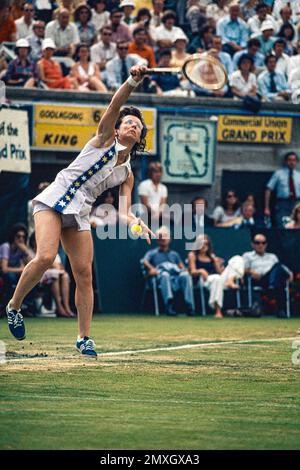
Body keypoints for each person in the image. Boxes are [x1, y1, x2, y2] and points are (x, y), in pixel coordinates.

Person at [5, 63, 154, 357]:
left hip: (81, 210)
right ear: (117, 128)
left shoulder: (127, 173)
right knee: (46, 256)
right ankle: (14, 306)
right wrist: (132, 81)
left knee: (83, 273)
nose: (133, 125)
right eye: (128, 122)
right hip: (56, 196)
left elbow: (124, 211)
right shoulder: (102, 139)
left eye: (138, 125)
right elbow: (115, 103)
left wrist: (135, 221)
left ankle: (84, 338)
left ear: (140, 137)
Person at [142, 226, 195, 316]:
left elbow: (182, 267)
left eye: (164, 236)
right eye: (160, 236)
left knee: (185, 275)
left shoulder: (175, 254)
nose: (162, 238)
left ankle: (189, 305)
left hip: (175, 278)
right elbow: (145, 261)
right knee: (165, 275)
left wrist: (187, 270)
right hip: (160, 277)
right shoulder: (152, 253)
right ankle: (169, 305)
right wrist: (152, 269)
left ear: (169, 239)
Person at [188, 234, 244, 318]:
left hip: (217, 280)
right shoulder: (192, 255)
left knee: (237, 259)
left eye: (206, 244)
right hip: (203, 281)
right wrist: (201, 271)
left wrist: (218, 264)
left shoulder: (212, 256)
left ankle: (231, 280)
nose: (204, 246)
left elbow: (219, 273)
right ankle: (218, 311)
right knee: (217, 279)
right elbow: (192, 271)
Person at [242, 233, 293, 318]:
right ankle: (273, 289)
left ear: (266, 244)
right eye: (257, 242)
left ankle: (273, 287)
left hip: (272, 280)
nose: (260, 245)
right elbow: (241, 269)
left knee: (278, 268)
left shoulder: (272, 256)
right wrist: (250, 271)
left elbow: (280, 268)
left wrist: (290, 273)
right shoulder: (247, 256)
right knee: (278, 274)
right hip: (259, 279)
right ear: (252, 244)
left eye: (263, 243)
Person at [265, 152, 300, 227]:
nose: (292, 162)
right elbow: (268, 189)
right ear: (286, 161)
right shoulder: (278, 174)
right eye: (290, 160)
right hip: (283, 204)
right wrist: (267, 207)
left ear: (296, 162)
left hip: (297, 203)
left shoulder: (298, 175)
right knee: (283, 225)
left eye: (294, 160)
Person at [0, 224, 33, 306]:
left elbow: (34, 263)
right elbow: (4, 268)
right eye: (18, 236)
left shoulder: (20, 249)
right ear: (13, 236)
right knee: (12, 277)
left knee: (30, 277)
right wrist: (21, 269)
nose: (21, 239)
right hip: (4, 274)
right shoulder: (6, 247)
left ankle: (25, 304)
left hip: (13, 273)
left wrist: (25, 250)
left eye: (23, 237)